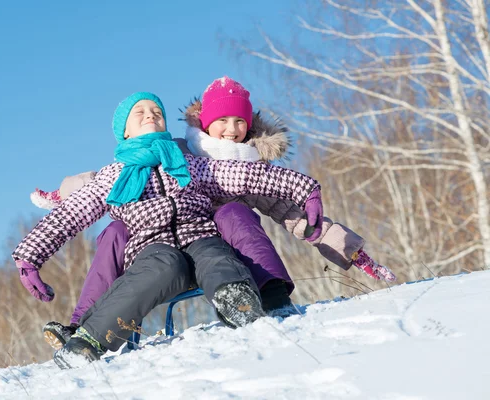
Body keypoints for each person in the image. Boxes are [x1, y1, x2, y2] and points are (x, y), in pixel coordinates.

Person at [33, 77, 396, 350]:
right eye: (222, 121)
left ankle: (264, 295)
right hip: (154, 247)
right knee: (114, 231)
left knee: (233, 213)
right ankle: (84, 326)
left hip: (210, 242)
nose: (231, 131)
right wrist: (59, 197)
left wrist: (345, 245)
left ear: (250, 127)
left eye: (240, 123)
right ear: (203, 123)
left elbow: (289, 211)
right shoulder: (180, 151)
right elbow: (97, 184)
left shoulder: (237, 166)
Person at [13, 91, 325, 369]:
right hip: (152, 248)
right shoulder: (111, 177)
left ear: (165, 126)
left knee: (217, 256)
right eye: (140, 112)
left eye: (157, 112)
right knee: (161, 267)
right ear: (124, 131)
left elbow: (247, 175)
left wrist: (304, 188)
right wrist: (30, 257)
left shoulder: (189, 164)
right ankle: (88, 340)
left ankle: (237, 300)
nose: (150, 115)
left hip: (199, 235)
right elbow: (68, 216)